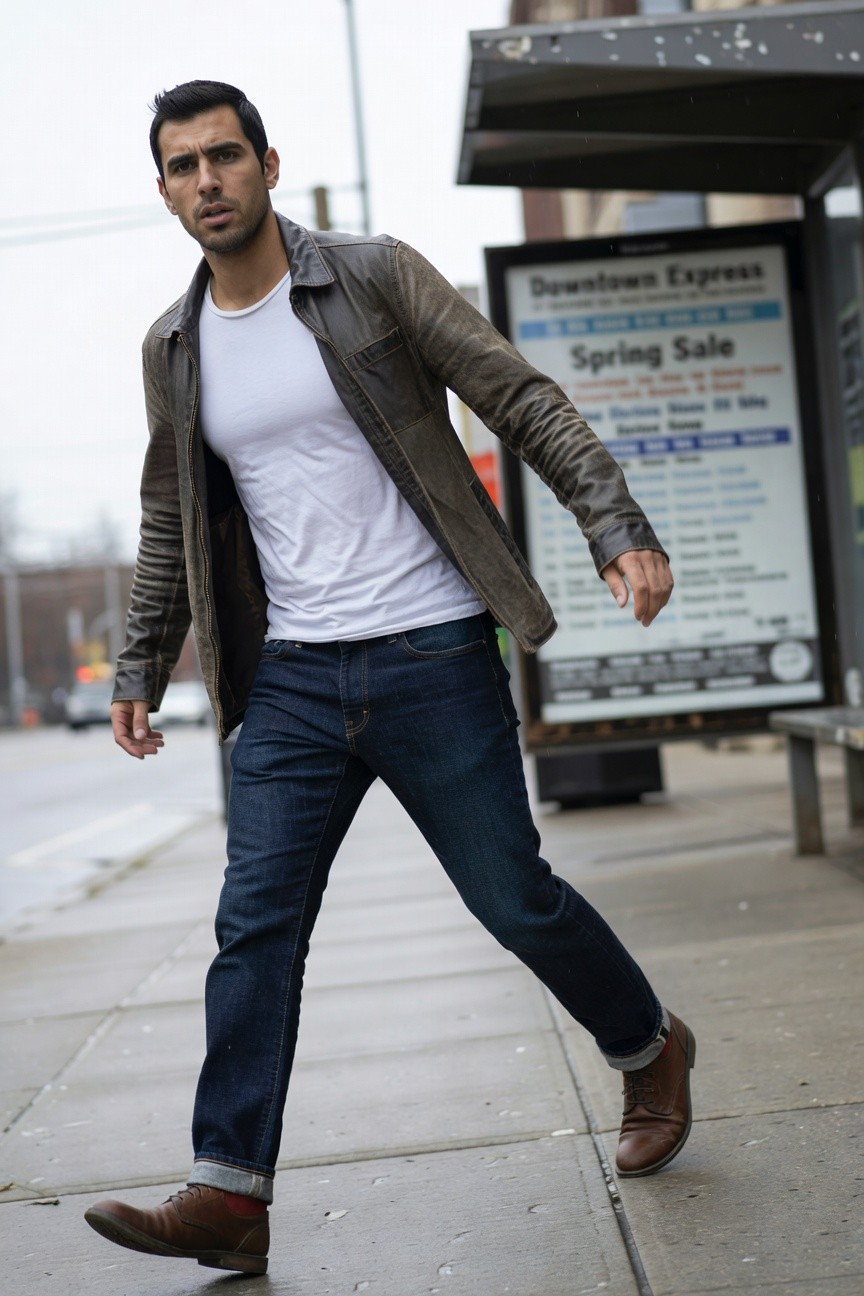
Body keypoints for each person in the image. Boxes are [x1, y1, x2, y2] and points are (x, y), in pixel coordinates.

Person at [84, 80, 695, 1277]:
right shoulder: (175, 346)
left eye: (224, 156)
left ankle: (648, 1047)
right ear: (163, 190)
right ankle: (230, 1191)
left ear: (267, 162)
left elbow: (517, 395)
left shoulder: (372, 275)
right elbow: (171, 519)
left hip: (432, 648)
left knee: (511, 899)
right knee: (254, 925)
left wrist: (613, 523)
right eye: (183, 167)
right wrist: (141, 661)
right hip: (295, 680)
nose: (207, 181)